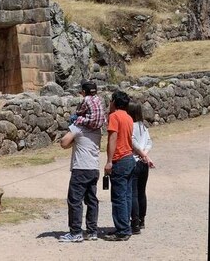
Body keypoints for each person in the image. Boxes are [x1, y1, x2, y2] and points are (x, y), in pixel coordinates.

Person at [58, 102, 103, 243]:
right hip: (93, 168)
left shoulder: (78, 127)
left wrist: (72, 134)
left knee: (75, 200)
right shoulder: (97, 129)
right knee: (91, 200)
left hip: (81, 168)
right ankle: (92, 231)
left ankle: (76, 232)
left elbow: (64, 143)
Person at [105, 90, 135, 241]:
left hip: (120, 159)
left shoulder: (114, 116)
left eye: (111, 100)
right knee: (127, 195)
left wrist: (109, 161)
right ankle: (125, 226)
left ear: (115, 102)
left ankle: (122, 230)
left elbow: (113, 139)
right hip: (130, 158)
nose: (109, 103)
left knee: (118, 197)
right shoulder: (128, 117)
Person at [128, 100, 155, 234]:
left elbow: (132, 143)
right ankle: (142, 219)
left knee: (133, 193)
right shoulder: (143, 126)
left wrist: (142, 154)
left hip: (135, 160)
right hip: (144, 163)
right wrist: (146, 155)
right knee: (141, 192)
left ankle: (135, 222)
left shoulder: (131, 126)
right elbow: (149, 142)